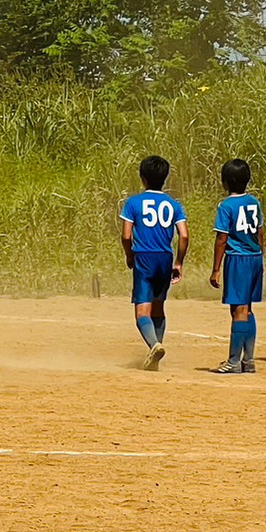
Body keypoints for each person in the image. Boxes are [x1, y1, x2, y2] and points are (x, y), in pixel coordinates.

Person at [120, 155, 189, 371]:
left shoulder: (133, 203)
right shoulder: (173, 204)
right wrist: (178, 261)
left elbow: (126, 235)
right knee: (158, 308)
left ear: (143, 178)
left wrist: (129, 255)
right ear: (165, 178)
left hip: (144, 257)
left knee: (142, 312)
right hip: (165, 257)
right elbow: (184, 235)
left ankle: (154, 346)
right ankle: (156, 353)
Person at [209, 158, 265, 374]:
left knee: (239, 310)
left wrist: (216, 269)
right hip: (254, 257)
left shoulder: (226, 206)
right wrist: (259, 254)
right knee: (247, 309)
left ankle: (233, 361)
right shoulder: (254, 202)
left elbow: (222, 238)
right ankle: (248, 360)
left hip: (238, 258)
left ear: (225, 182)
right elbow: (260, 231)